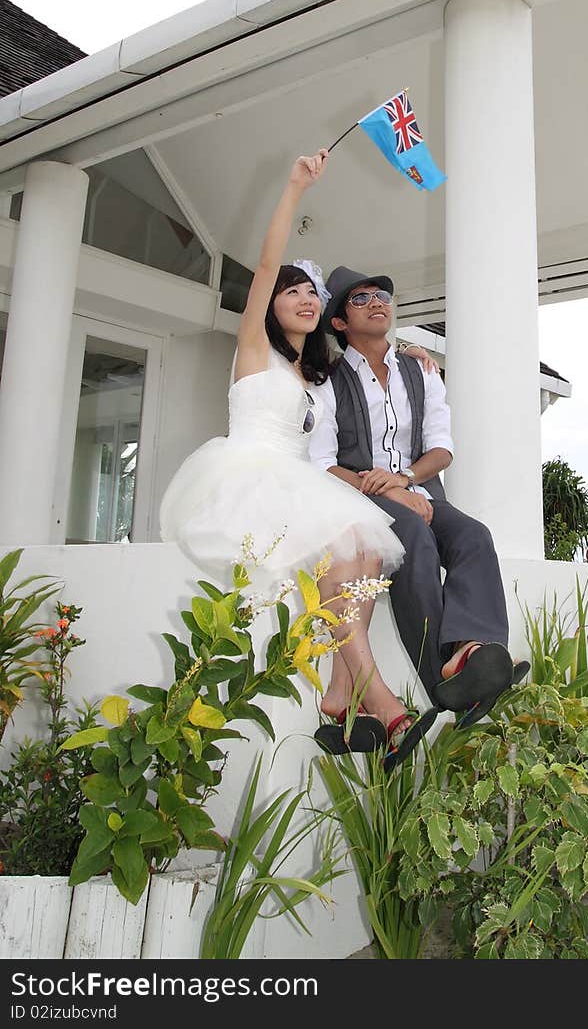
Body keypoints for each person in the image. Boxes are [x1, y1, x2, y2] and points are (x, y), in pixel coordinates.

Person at [159, 151, 437, 768]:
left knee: (365, 550)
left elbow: (369, 373)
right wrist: (294, 186)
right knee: (350, 548)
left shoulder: (314, 374)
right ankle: (383, 701)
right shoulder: (254, 346)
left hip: (299, 479)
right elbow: (263, 263)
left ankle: (340, 692)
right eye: (294, 291)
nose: (307, 299)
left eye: (314, 293)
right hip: (253, 475)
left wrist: (416, 355)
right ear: (271, 303)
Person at [309, 266, 529, 729]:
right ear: (339, 323)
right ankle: (441, 682)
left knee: (473, 535)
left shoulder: (421, 370)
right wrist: (380, 487)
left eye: (383, 295)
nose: (377, 303)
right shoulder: (326, 381)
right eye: (361, 299)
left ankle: (470, 651)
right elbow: (323, 462)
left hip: (418, 489)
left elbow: (442, 449)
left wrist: (403, 480)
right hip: (358, 497)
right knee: (413, 537)